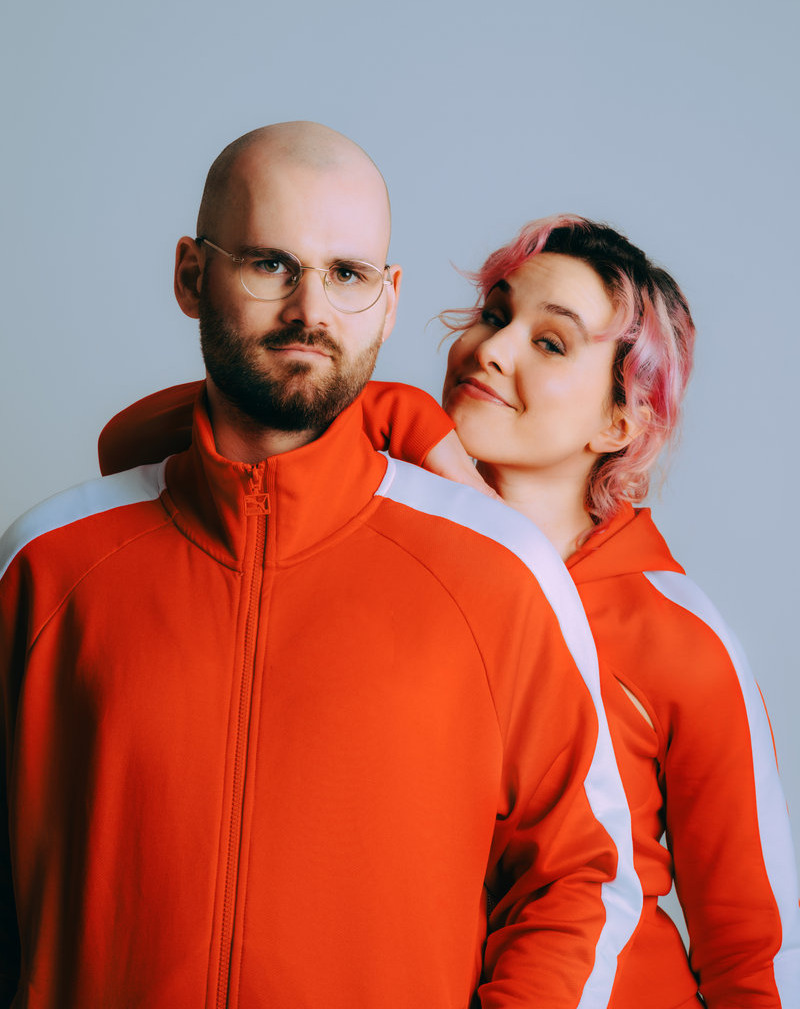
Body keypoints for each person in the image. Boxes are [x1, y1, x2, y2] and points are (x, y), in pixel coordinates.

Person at [0, 127, 641, 1009]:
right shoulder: (48, 564)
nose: (311, 310)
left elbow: (581, 880)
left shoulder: (501, 573)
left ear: (389, 299)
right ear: (191, 275)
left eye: (347, 274)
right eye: (270, 264)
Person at [100, 213, 800, 1007]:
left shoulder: (675, 635)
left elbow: (754, 951)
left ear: (621, 420)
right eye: (494, 315)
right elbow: (131, 449)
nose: (492, 349)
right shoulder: (381, 541)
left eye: (550, 342)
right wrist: (388, 413)